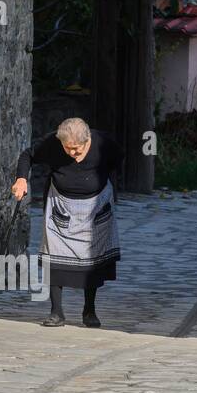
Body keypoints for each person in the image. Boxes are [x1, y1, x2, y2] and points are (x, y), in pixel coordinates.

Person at [12, 117, 122, 328]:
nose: (73, 154)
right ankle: (56, 312)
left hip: (96, 205)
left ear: (87, 140)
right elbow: (28, 156)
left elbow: (119, 160)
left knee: (94, 259)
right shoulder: (52, 143)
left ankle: (89, 310)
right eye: (68, 149)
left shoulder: (103, 143)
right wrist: (21, 179)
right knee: (54, 257)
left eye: (77, 150)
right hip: (60, 204)